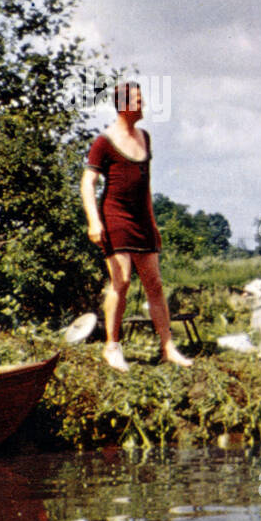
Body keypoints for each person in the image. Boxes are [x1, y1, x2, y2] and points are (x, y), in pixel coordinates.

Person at [81, 81, 193, 371]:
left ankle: (168, 347)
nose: (143, 105)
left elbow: (145, 185)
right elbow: (87, 182)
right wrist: (94, 221)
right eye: (139, 101)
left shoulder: (145, 136)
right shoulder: (104, 141)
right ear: (125, 105)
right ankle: (112, 346)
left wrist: (153, 223)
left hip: (142, 220)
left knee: (154, 284)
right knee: (122, 281)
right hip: (114, 217)